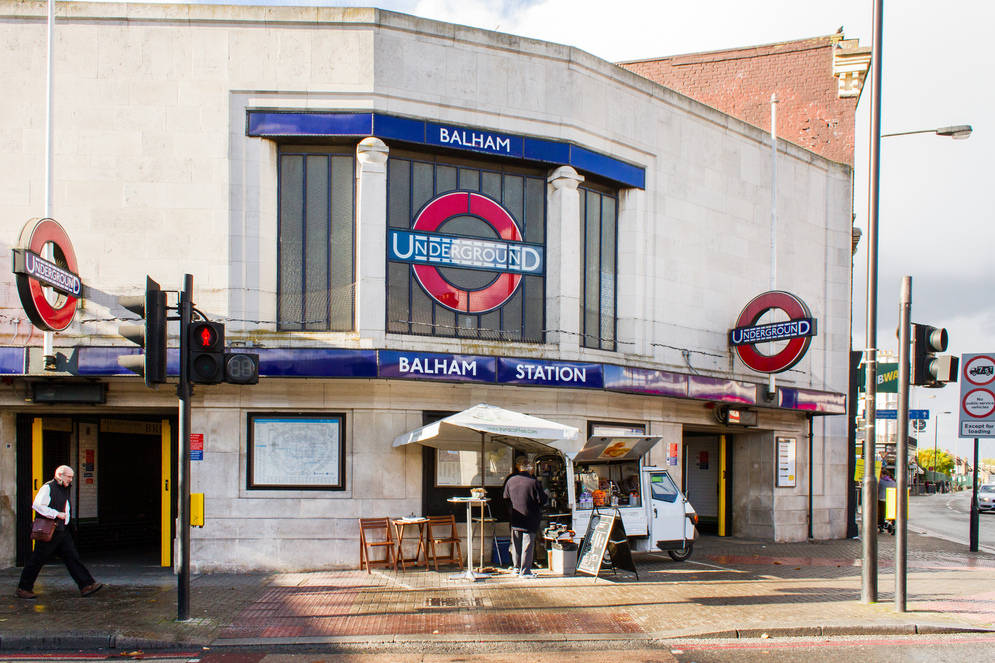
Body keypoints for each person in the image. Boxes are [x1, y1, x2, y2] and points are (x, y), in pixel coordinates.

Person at [16, 466, 103, 599]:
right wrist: (57, 514)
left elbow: (65, 506)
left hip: (62, 530)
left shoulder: (64, 488)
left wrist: (66, 520)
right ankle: (23, 588)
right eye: (69, 477)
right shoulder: (48, 487)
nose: (71, 479)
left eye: (72, 477)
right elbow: (38, 505)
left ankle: (86, 585)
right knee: (37, 559)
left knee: (72, 557)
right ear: (60, 475)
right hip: (50, 531)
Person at [502, 456, 547, 578]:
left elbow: (505, 498)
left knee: (516, 545)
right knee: (527, 545)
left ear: (518, 466)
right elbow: (542, 500)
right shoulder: (534, 482)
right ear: (530, 468)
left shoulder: (510, 481)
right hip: (530, 518)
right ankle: (525, 571)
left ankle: (516, 568)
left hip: (516, 518)